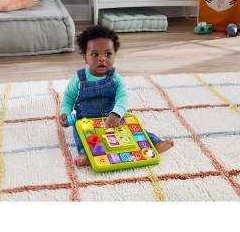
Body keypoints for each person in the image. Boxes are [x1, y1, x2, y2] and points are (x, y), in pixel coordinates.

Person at [59, 25, 174, 166]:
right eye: (95, 55)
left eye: (108, 54)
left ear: (114, 56)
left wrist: (117, 113)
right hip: (86, 118)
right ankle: (86, 153)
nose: (102, 59)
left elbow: (122, 96)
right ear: (85, 57)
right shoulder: (79, 77)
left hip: (112, 116)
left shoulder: (115, 77)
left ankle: (154, 142)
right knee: (81, 132)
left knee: (133, 128)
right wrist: (65, 112)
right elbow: (69, 96)